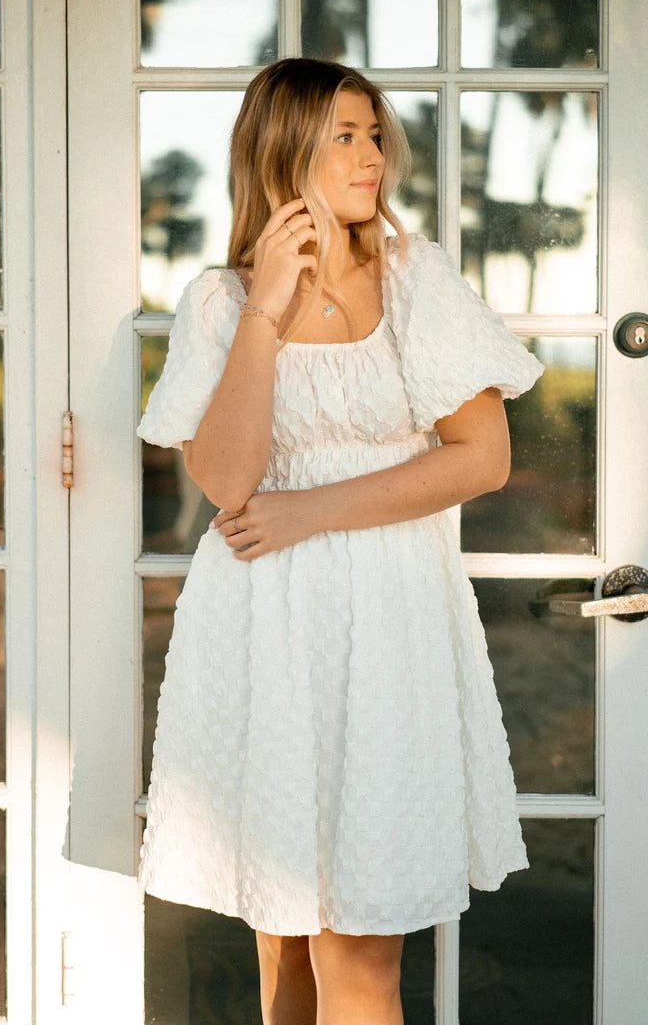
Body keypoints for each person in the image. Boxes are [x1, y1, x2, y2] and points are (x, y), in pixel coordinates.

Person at [138, 58, 543, 1025]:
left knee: (362, 954)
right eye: (345, 137)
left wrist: (307, 512)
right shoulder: (219, 303)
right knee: (284, 951)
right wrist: (267, 313)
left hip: (393, 625)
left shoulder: (415, 282)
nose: (374, 156)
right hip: (263, 632)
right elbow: (227, 481)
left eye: (373, 133)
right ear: (283, 153)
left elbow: (481, 457)